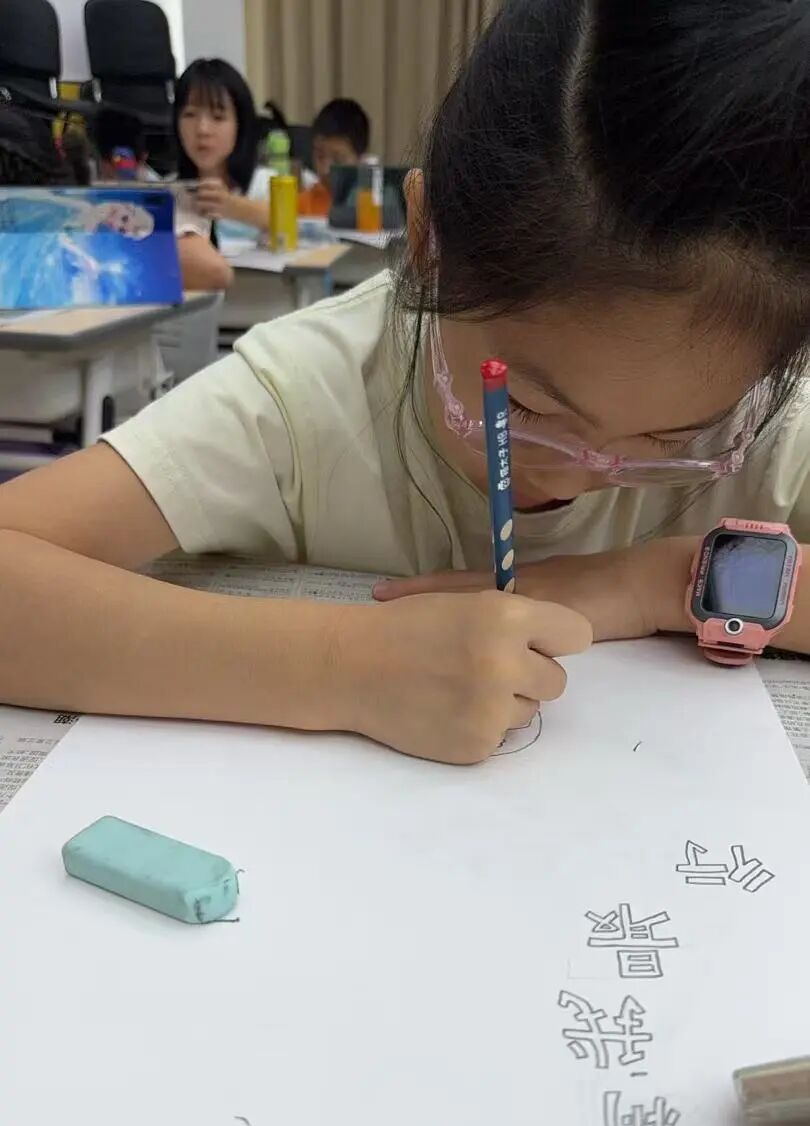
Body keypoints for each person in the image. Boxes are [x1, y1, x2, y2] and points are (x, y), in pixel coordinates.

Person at [3, 0, 810, 766]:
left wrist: (657, 582)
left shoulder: (765, 408)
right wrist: (339, 664)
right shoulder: (309, 395)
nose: (573, 479)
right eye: (525, 408)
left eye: (672, 441)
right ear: (427, 243)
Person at [174, 56, 270, 263]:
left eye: (218, 117)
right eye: (190, 114)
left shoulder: (265, 184)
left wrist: (233, 207)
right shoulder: (170, 194)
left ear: (240, 124)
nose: (202, 130)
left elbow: (297, 226)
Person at [310, 98, 370, 187]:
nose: (325, 170)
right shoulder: (305, 195)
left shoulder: (374, 194)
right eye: (320, 157)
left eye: (338, 160)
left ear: (361, 160)